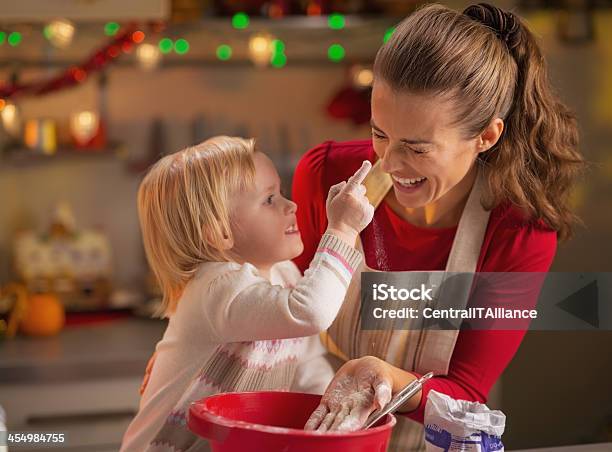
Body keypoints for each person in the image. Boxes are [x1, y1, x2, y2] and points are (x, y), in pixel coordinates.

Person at [293, 3, 584, 450]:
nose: (389, 163)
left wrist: (383, 377)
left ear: (486, 136)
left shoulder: (518, 231)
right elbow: (277, 321)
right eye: (379, 133)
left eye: (417, 147)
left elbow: (467, 395)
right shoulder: (325, 175)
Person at [120, 136, 374, 450]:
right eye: (269, 200)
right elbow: (312, 312)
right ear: (218, 232)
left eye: (281, 192)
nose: (290, 205)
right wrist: (342, 230)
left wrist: (331, 420)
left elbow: (306, 365)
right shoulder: (216, 288)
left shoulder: (286, 276)